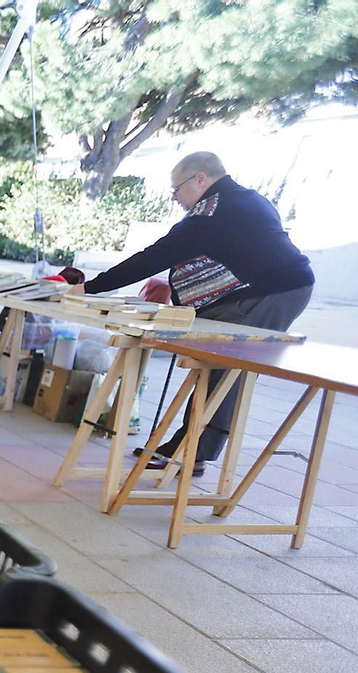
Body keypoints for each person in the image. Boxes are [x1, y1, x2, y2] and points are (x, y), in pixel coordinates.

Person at [75, 151, 314, 476]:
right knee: (218, 364)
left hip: (274, 291)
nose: (175, 197)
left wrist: (92, 288)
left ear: (200, 178)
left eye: (177, 188)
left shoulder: (213, 211)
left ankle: (193, 451)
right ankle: (188, 447)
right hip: (278, 287)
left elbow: (155, 256)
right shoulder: (243, 199)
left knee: (224, 366)